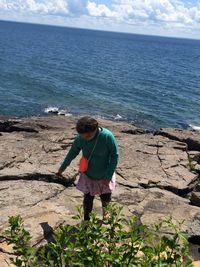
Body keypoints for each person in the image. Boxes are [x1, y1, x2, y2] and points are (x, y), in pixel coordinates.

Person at [56, 116, 119, 221]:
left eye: (89, 135)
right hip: (88, 174)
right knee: (88, 199)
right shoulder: (81, 138)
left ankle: (106, 212)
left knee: (105, 196)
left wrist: (108, 176)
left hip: (104, 174)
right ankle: (87, 218)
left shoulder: (107, 136)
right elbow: (72, 153)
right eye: (83, 136)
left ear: (96, 128)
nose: (86, 138)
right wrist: (62, 169)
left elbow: (115, 156)